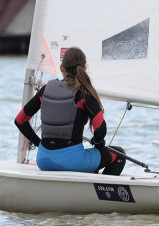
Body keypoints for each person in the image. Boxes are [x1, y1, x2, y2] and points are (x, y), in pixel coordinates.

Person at [14, 47, 126, 175]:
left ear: (62, 68)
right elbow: (100, 130)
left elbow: (20, 121)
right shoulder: (85, 94)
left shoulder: (46, 89)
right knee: (119, 154)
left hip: (43, 160)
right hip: (72, 162)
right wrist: (97, 142)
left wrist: (40, 144)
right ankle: (99, 193)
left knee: (90, 160)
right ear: (84, 69)